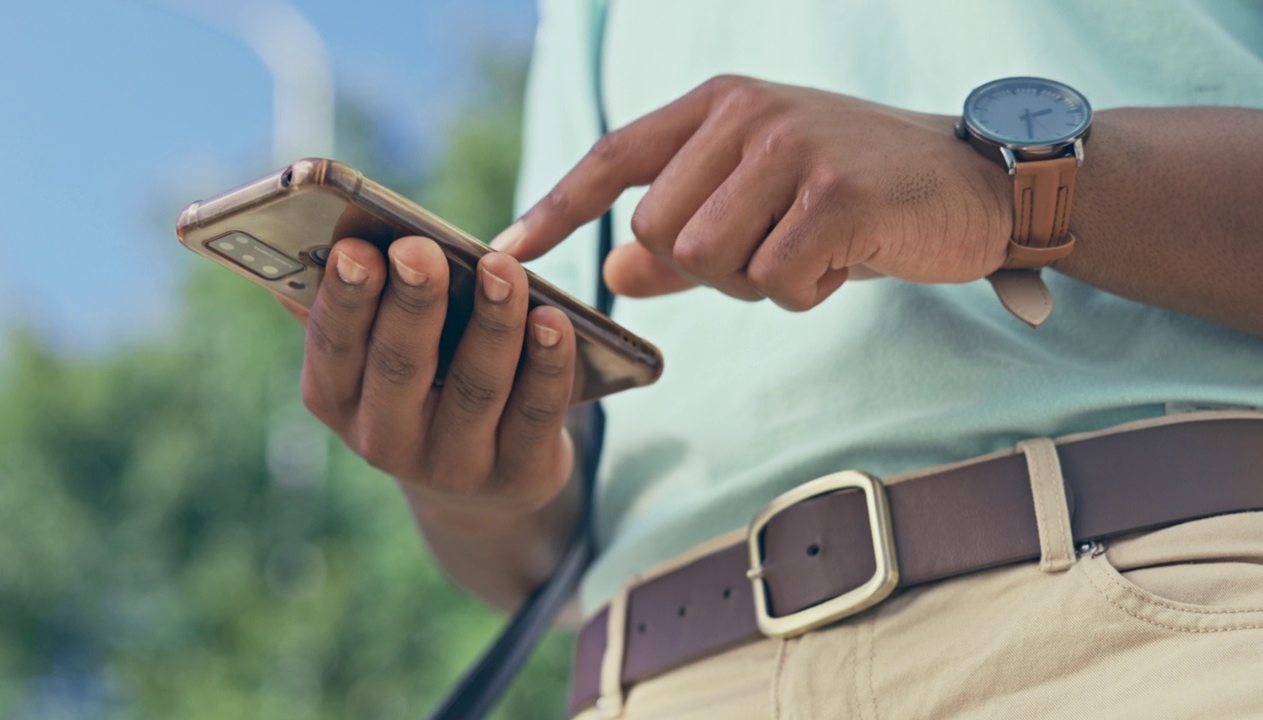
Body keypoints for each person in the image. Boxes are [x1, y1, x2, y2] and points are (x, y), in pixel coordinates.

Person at [292, 0, 1263, 717]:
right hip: (659, 678)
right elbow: (537, 556)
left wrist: (997, 183)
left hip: (1144, 628)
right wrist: (464, 470)